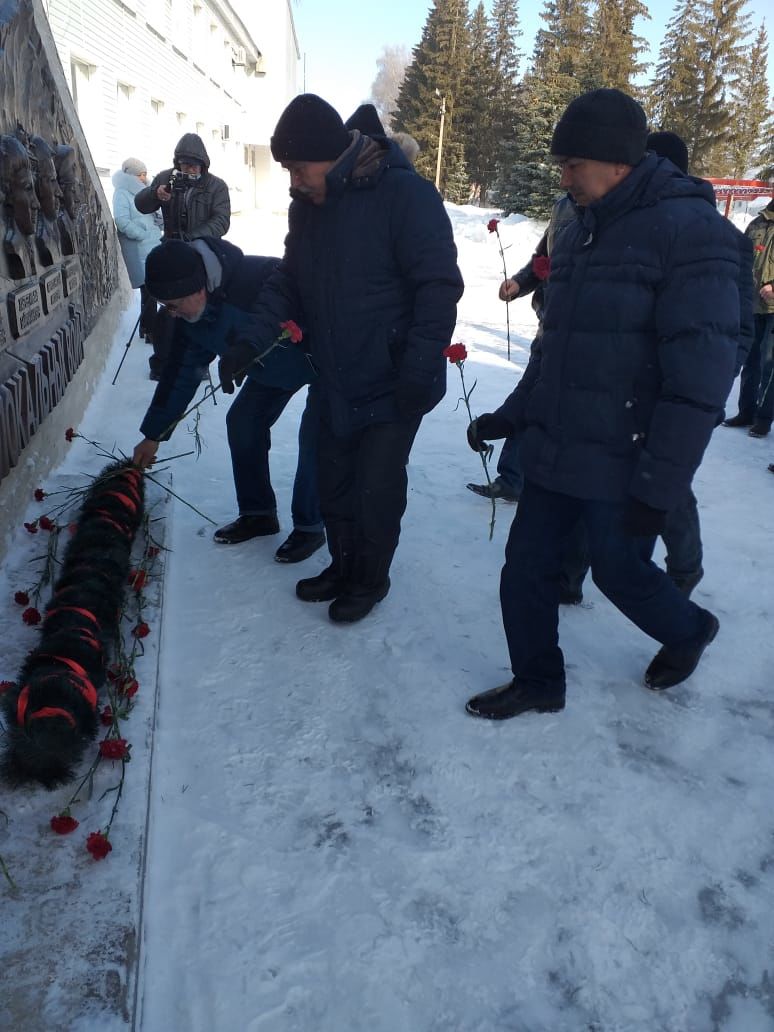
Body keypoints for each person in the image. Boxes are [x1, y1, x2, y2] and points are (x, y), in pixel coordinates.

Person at [464, 87, 752, 721]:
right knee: (525, 571)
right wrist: (511, 415)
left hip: (626, 454)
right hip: (558, 444)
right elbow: (555, 350)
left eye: (572, 165)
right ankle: (538, 681)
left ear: (616, 162)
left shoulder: (693, 235)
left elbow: (698, 383)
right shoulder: (580, 229)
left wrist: (660, 487)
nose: (562, 179)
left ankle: (688, 630)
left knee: (619, 573)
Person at [220, 93, 464, 623]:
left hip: (394, 378)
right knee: (333, 483)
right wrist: (249, 342)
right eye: (286, 169)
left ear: (331, 154)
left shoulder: (406, 196)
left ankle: (369, 580)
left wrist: (420, 367)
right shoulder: (308, 208)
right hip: (335, 373)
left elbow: (438, 287)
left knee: (374, 491)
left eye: (298, 168)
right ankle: (343, 563)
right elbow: (289, 282)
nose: (292, 180)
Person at [131, 239, 326, 564]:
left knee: (316, 438)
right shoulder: (189, 321)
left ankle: (310, 525)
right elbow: (179, 377)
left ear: (198, 289)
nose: (173, 314)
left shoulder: (259, 279)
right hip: (270, 368)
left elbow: (312, 311)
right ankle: (259, 513)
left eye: (174, 304)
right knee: (243, 422)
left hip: (321, 361)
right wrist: (153, 435)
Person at [467, 196, 577, 504]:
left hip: (582, 334)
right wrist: (519, 282)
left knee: (544, 403)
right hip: (550, 324)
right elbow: (543, 259)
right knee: (532, 396)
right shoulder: (563, 207)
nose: (565, 177)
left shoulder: (615, 211)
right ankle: (513, 477)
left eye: (572, 165)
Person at [134, 133, 230, 379]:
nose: (189, 169)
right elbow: (141, 204)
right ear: (177, 163)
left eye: (194, 165)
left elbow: (221, 221)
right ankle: (162, 363)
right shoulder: (166, 178)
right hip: (170, 252)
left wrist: (193, 238)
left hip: (202, 254)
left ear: (203, 165)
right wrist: (157, 194)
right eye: (184, 164)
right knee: (168, 310)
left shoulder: (216, 186)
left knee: (199, 309)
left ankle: (197, 362)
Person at [723, 196, 774, 439]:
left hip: (773, 308)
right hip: (752, 304)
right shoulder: (756, 224)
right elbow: (741, 258)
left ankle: (764, 417)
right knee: (749, 360)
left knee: (769, 364)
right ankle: (747, 411)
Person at [112, 158, 161, 343]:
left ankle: (147, 327)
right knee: (148, 290)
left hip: (151, 245)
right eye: (140, 174)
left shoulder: (146, 192)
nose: (144, 178)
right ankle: (149, 330)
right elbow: (122, 220)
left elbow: (152, 216)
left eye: (145, 174)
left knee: (152, 290)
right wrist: (141, 233)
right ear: (131, 175)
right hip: (138, 247)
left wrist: (158, 222)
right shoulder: (122, 193)